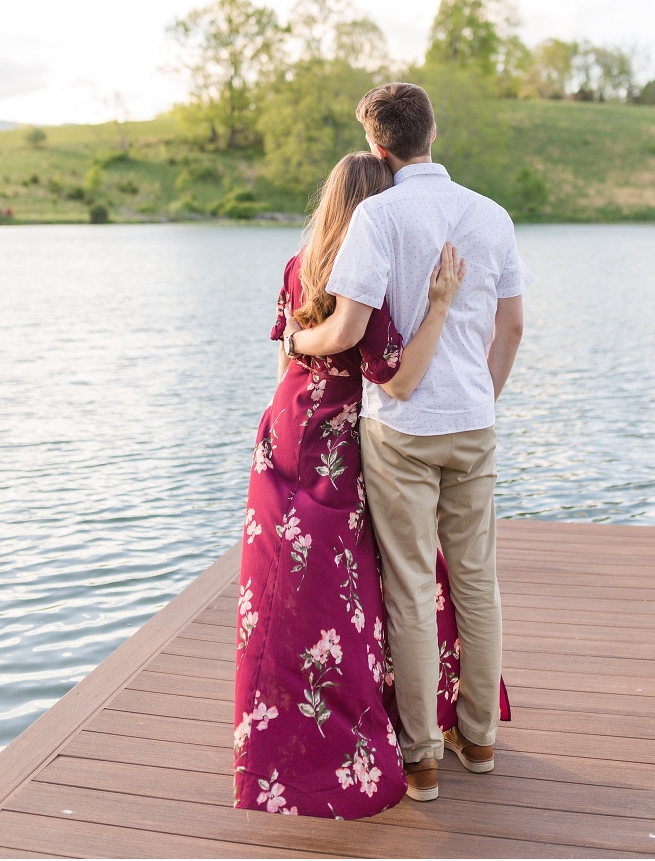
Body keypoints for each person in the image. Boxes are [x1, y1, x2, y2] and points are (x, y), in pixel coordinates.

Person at [284, 82, 532, 801]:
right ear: (435, 131)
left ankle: (422, 757)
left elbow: (349, 330)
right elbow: (512, 327)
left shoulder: (379, 217)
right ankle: (478, 741)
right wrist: (481, 393)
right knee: (478, 581)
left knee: (411, 589)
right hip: (473, 421)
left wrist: (300, 338)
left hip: (399, 430)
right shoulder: (491, 216)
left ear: (377, 146)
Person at [234, 152, 471, 820]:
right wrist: (440, 308)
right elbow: (396, 375)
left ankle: (279, 746)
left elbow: (283, 354)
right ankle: (398, 733)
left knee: (285, 597)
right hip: (347, 440)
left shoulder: (301, 261)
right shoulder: (374, 275)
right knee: (372, 588)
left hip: (284, 429)